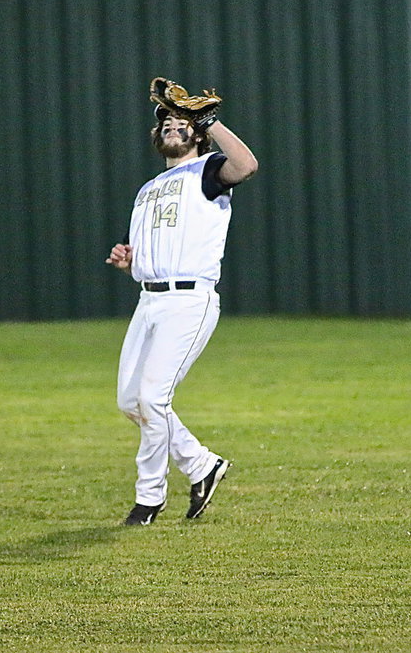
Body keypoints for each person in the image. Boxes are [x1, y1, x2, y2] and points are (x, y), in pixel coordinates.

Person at [106, 81, 258, 526]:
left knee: (153, 398)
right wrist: (129, 259)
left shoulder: (208, 170)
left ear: (198, 135)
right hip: (149, 301)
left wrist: (212, 122)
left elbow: (246, 165)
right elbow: (149, 252)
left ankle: (149, 499)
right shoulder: (148, 188)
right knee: (131, 401)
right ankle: (201, 465)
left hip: (188, 300)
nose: (173, 126)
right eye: (168, 123)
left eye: (183, 123)